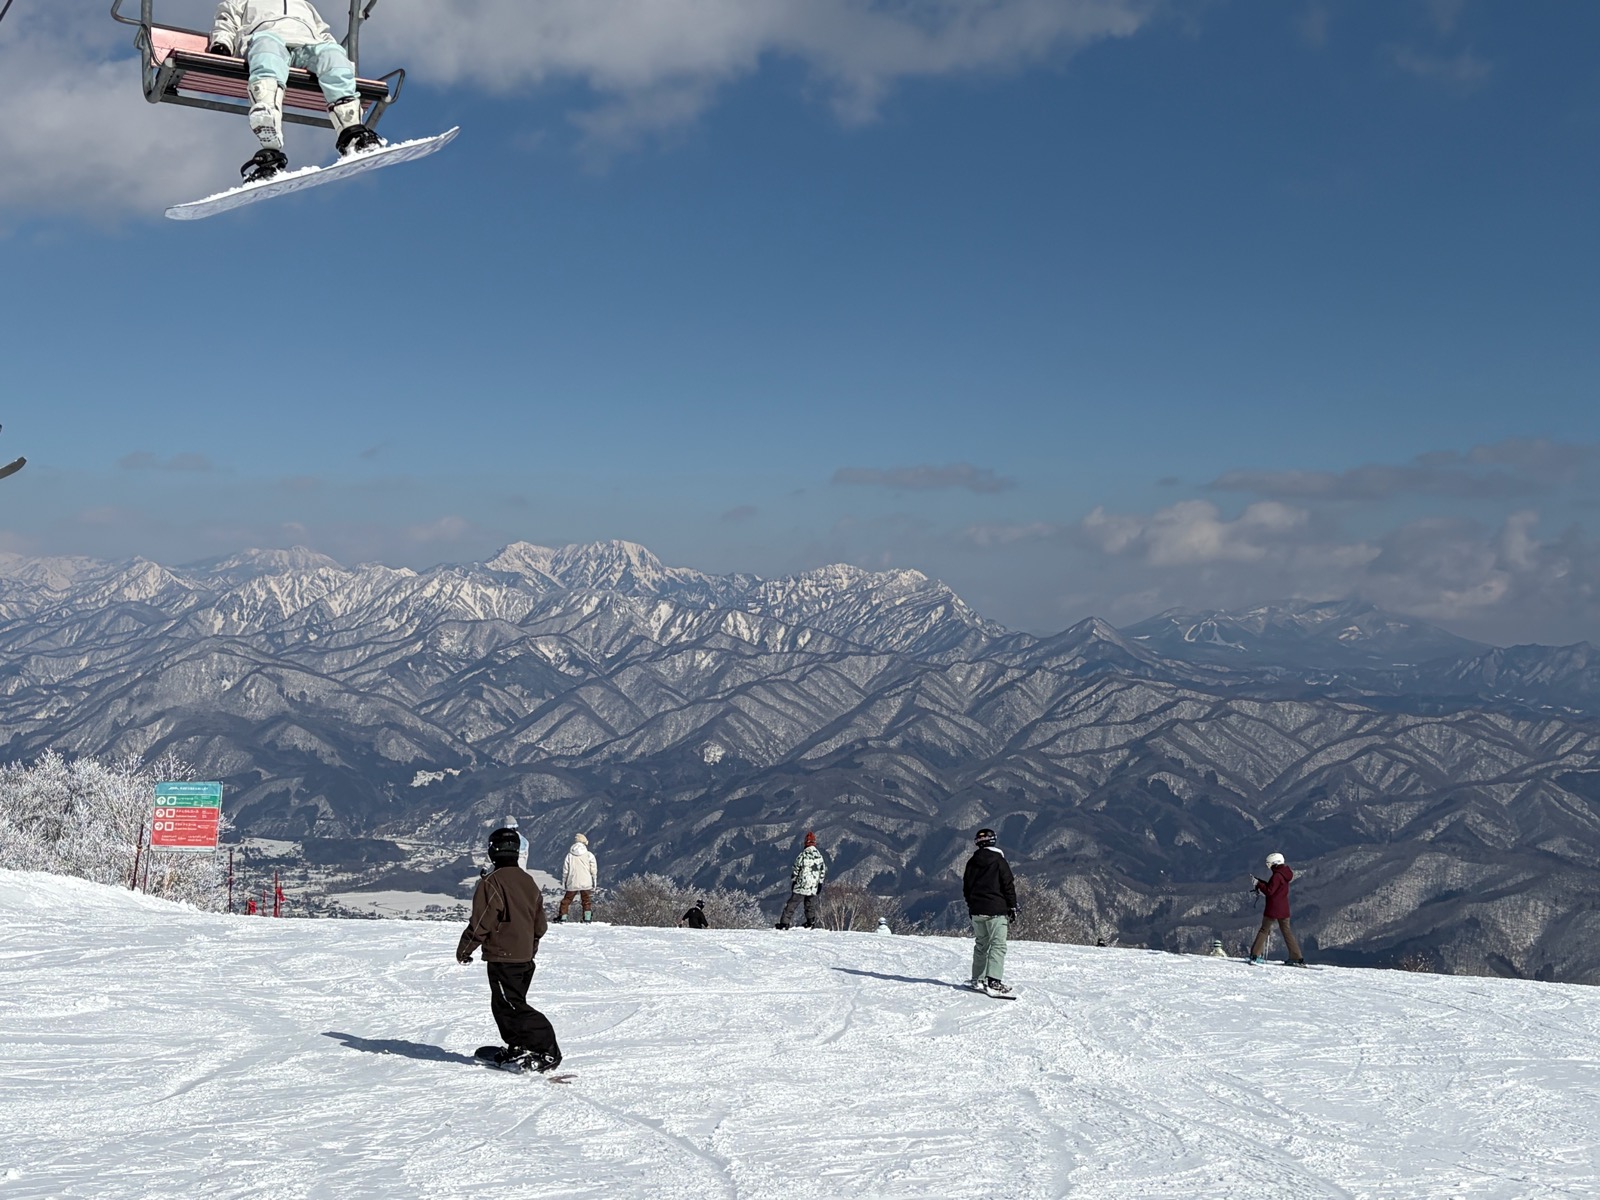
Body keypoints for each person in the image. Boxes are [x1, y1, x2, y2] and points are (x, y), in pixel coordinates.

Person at [209, 0, 382, 182]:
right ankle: (267, 123)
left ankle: (352, 132)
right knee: (267, 53)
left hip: (307, 45)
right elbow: (226, 20)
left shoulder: (304, 4)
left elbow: (322, 33)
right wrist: (222, 44)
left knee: (332, 55)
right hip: (267, 38)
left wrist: (335, 52)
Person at [455, 827, 562, 1071]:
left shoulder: (492, 883)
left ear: (493, 851)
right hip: (524, 957)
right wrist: (530, 947)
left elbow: (482, 920)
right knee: (507, 1004)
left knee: (511, 1005)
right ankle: (519, 1046)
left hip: (504, 957)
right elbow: (540, 925)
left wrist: (465, 948)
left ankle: (547, 1050)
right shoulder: (528, 881)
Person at [963, 827, 1017, 996]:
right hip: (996, 910)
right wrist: (1012, 906)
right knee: (998, 945)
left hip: (977, 910)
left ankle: (977, 979)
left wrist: (972, 905)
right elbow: (1008, 885)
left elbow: (966, 887)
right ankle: (994, 981)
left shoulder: (972, 862)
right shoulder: (999, 861)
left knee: (981, 944)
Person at [1249, 852, 1307, 966]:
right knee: (1286, 931)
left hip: (1273, 908)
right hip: (1284, 908)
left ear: (1275, 863)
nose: (1269, 867)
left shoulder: (1277, 876)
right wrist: (1261, 882)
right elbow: (1273, 888)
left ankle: (1255, 955)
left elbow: (1269, 891)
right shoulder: (1284, 874)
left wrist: (1259, 884)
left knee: (1264, 930)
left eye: (1269, 864)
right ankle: (1296, 957)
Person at [774, 831, 827, 929]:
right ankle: (811, 921)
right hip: (813, 885)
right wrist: (820, 883)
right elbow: (822, 870)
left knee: (792, 904)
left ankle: (784, 923)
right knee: (809, 904)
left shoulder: (803, 855)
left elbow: (796, 869)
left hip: (802, 884)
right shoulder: (819, 857)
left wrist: (794, 880)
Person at [556, 833, 598, 923]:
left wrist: (564, 881)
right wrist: (594, 880)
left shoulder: (569, 855)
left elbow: (565, 870)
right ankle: (587, 917)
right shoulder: (589, 855)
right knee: (586, 900)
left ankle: (563, 917)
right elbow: (593, 869)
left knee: (566, 900)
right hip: (586, 882)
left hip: (573, 881)